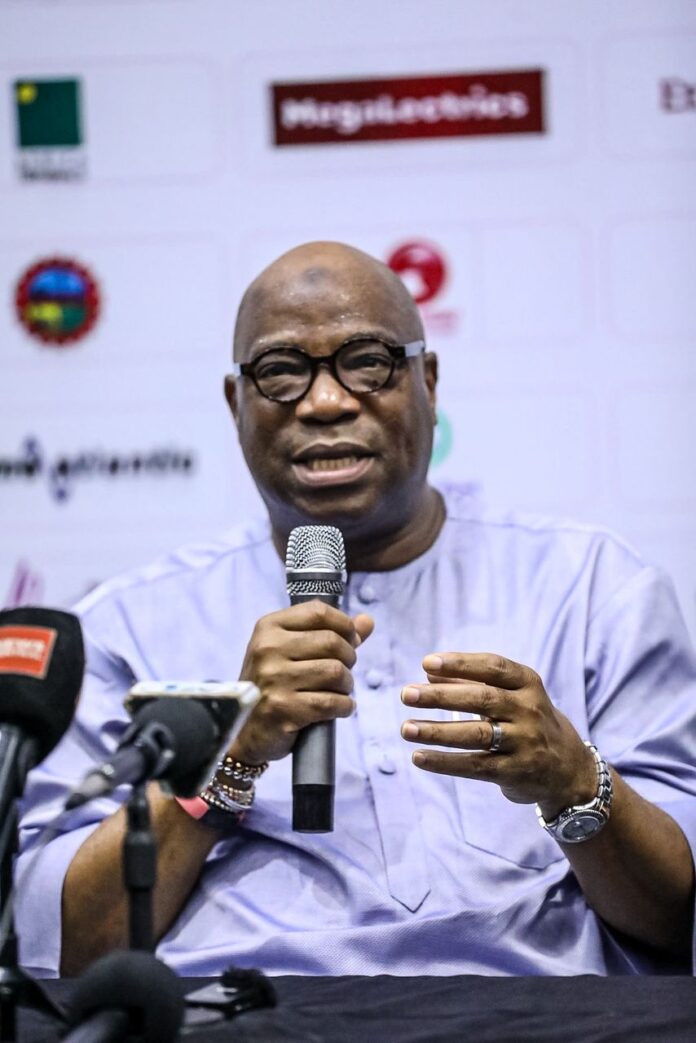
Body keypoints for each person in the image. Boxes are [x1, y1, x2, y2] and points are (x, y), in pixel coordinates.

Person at [16, 242, 696, 979]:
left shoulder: (593, 587)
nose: (325, 402)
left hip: (547, 1015)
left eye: (368, 361)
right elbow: (67, 945)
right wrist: (225, 758)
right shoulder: (124, 626)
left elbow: (675, 916)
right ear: (235, 403)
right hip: (251, 1017)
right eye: (281, 371)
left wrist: (574, 781)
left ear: (427, 381)